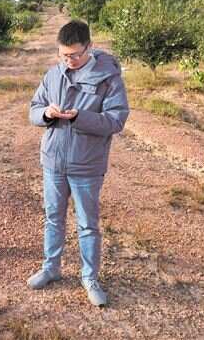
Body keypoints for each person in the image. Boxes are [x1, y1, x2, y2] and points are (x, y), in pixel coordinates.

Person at [27, 20, 129, 307]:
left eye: (74, 55)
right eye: (63, 55)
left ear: (90, 47)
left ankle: (90, 278)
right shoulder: (53, 75)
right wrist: (46, 113)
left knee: (87, 224)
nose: (68, 61)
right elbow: (33, 109)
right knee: (53, 218)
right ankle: (51, 268)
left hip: (87, 165)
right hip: (53, 162)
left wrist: (79, 117)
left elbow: (116, 120)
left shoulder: (109, 79)